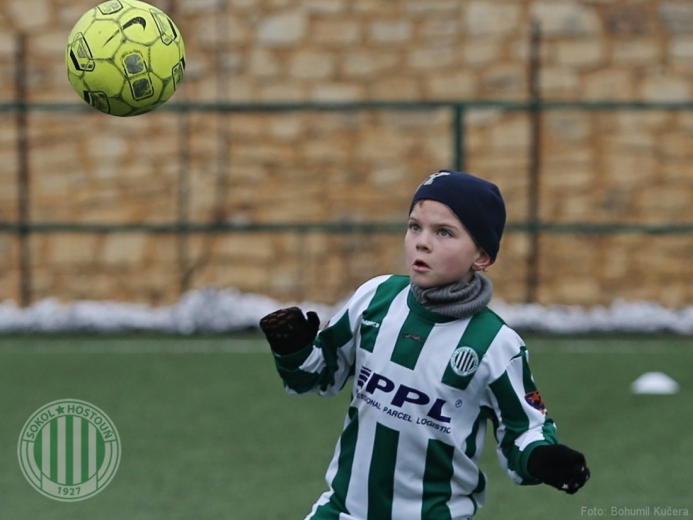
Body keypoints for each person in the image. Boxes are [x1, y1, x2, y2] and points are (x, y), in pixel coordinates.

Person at [259, 170, 590, 520]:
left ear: (482, 256)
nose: (422, 242)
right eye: (415, 226)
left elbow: (524, 433)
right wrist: (294, 350)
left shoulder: (496, 345)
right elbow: (319, 378)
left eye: (443, 232)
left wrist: (541, 458)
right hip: (342, 511)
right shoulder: (376, 297)